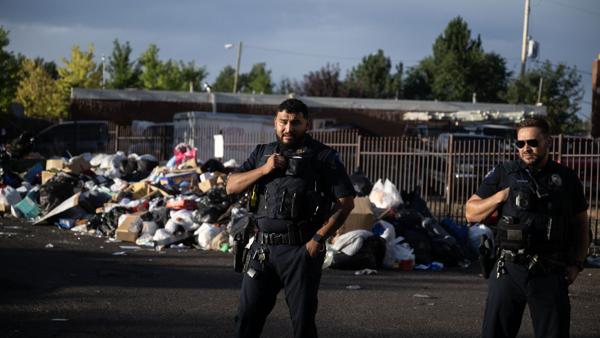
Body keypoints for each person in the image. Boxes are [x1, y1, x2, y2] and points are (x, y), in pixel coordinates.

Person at [226, 98, 355, 338]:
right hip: (262, 250)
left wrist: (317, 239)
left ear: (307, 124)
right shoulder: (262, 152)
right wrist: (265, 169)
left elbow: (345, 203)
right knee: (246, 319)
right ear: (275, 122)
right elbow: (231, 186)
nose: (288, 128)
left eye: (295, 123)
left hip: (300, 250)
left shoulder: (323, 157)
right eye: (283, 122)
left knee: (302, 323)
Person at [465, 116, 589, 338]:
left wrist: (577, 264)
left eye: (532, 142)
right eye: (520, 143)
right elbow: (470, 211)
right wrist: (501, 196)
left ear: (547, 142)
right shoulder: (505, 172)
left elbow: (581, 225)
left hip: (549, 270)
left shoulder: (566, 178)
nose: (526, 148)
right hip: (508, 269)